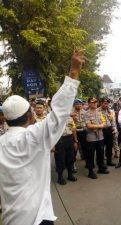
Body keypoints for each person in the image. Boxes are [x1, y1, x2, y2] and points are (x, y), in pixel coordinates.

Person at [0, 50, 85, 225]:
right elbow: (60, 112)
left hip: (10, 219)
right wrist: (74, 72)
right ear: (30, 116)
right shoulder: (35, 136)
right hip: (37, 218)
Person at [84, 97, 109, 179]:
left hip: (100, 137)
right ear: (89, 103)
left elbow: (104, 122)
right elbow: (89, 126)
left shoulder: (99, 112)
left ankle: (101, 168)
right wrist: (99, 126)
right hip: (91, 138)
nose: (95, 103)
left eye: (95, 102)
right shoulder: (86, 114)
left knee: (101, 153)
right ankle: (90, 171)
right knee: (90, 155)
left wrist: (99, 126)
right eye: (92, 102)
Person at [54, 116, 78, 185]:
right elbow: (50, 132)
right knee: (60, 159)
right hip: (59, 139)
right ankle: (60, 177)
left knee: (70, 158)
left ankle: (70, 175)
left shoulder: (70, 118)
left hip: (69, 138)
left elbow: (73, 129)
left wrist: (75, 141)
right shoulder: (54, 118)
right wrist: (52, 144)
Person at [99, 97, 116, 166]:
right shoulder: (97, 111)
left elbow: (113, 121)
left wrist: (114, 129)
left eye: (107, 103)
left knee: (109, 146)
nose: (106, 105)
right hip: (100, 130)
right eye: (104, 103)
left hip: (109, 130)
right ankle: (101, 162)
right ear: (101, 103)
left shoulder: (110, 111)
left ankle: (109, 160)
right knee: (101, 147)